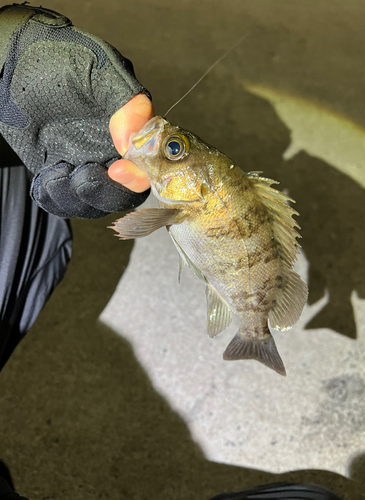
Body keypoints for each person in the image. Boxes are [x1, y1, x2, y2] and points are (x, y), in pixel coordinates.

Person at [0, 4, 341, 500]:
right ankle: (252, 333)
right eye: (177, 148)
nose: (165, 141)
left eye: (174, 150)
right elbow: (146, 220)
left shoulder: (184, 203)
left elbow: (148, 221)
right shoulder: (185, 201)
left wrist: (6, 47)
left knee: (37, 209)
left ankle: (253, 331)